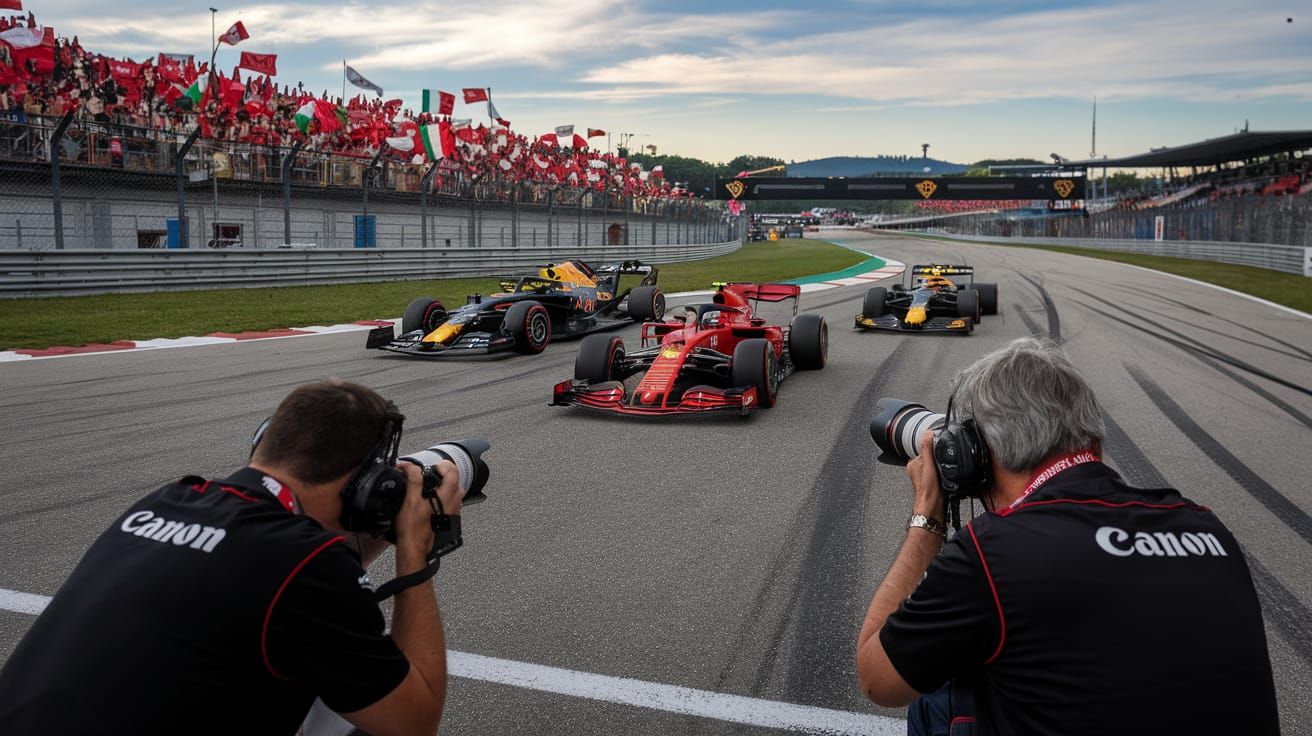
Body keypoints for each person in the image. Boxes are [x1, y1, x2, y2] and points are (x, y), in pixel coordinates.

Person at [855, 337, 1279, 735]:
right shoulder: (1207, 529)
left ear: (974, 457)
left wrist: (927, 516)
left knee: (936, 697)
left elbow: (877, 680)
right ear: (1091, 437)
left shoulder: (991, 553)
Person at [0, 380, 461, 736]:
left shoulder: (166, 500)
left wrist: (374, 535)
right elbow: (414, 722)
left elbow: (269, 592)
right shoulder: (306, 566)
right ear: (368, 487)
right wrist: (414, 547)